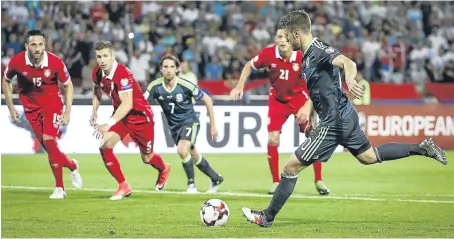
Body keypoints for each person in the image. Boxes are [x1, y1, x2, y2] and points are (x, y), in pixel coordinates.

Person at [241, 10, 448, 227]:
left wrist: (349, 78)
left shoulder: (319, 50)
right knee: (368, 157)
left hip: (334, 122)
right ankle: (423, 148)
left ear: (295, 33)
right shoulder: (306, 56)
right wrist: (311, 114)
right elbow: (317, 88)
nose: (286, 40)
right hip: (343, 115)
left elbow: (347, 62)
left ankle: (267, 217)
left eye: (287, 35)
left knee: (290, 168)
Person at [230, 28, 329, 195]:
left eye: (285, 37)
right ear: (275, 39)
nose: (282, 40)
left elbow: (317, 81)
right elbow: (248, 65)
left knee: (313, 135)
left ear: (291, 40)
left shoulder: (302, 55)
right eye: (279, 37)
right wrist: (240, 85)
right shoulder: (268, 54)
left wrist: (307, 105)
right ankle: (276, 181)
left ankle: (319, 179)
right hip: (277, 101)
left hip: (300, 99)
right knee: (273, 138)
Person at [2, 29, 82, 199]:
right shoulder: (17, 62)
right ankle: (72, 165)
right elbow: (6, 80)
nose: (37, 48)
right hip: (31, 109)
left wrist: (67, 111)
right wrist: (11, 107)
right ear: (26, 46)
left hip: (52, 105)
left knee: (49, 140)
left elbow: (68, 85)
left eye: (40, 44)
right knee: (50, 148)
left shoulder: (55, 62)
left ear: (45, 45)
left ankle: (60, 188)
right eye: (33, 45)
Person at [90, 40, 170, 200]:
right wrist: (94, 111)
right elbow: (96, 90)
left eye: (105, 56)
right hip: (122, 116)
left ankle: (164, 168)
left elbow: (127, 104)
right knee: (105, 145)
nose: (102, 60)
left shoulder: (123, 74)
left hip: (140, 117)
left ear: (113, 56)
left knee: (147, 158)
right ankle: (123, 186)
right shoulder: (97, 72)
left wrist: (108, 124)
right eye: (99, 56)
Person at [144, 55, 224, 193]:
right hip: (174, 127)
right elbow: (141, 102)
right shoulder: (155, 86)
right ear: (161, 69)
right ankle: (215, 178)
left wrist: (213, 125)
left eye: (172, 67)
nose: (168, 70)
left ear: (176, 69)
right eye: (165, 67)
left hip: (189, 121)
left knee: (182, 150)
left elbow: (208, 100)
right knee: (193, 154)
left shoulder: (185, 85)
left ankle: (191, 186)